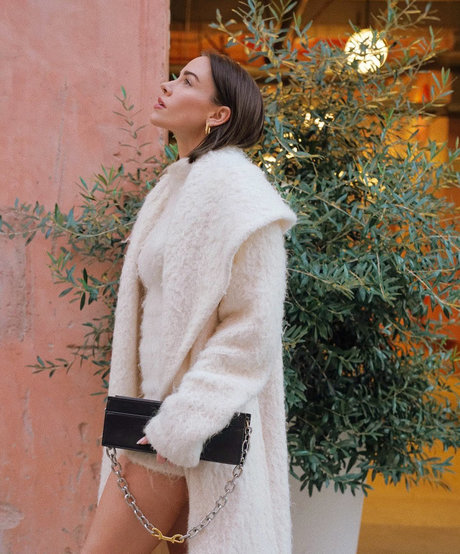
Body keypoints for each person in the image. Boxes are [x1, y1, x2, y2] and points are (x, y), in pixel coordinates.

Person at [82, 51, 296, 554]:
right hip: (158, 425)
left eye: (186, 81)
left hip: (182, 434)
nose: (167, 85)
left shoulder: (238, 195)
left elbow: (252, 329)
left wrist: (182, 423)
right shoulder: (179, 185)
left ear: (217, 114)